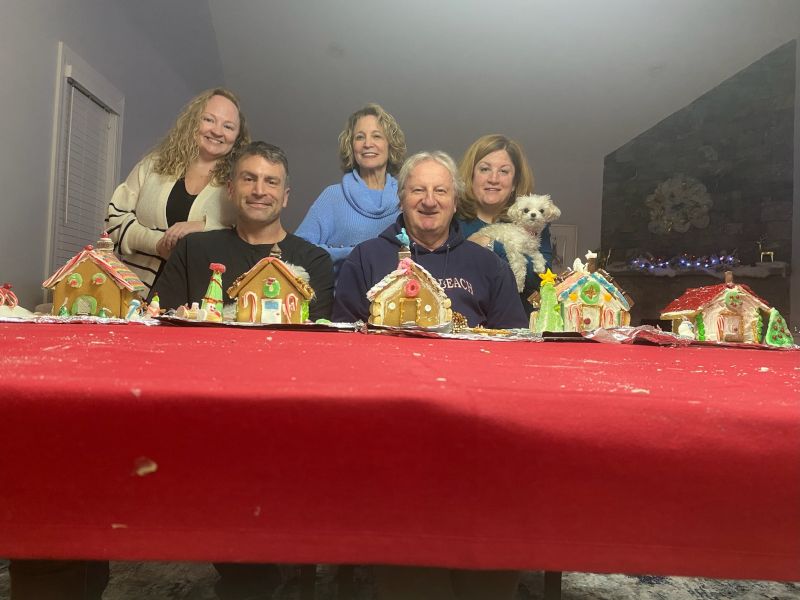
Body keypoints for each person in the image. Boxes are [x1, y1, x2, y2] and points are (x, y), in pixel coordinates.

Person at [333, 151, 527, 330]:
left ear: (455, 203)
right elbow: (344, 341)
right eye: (418, 190)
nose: (429, 201)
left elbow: (513, 345)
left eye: (440, 191)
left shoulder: (490, 266)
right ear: (401, 199)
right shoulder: (365, 259)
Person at [152, 141, 334, 325]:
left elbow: (315, 341)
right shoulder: (191, 249)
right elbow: (160, 322)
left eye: (271, 182)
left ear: (285, 197)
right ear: (230, 189)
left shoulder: (315, 262)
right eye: (249, 179)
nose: (259, 191)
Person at [106, 88, 251, 293]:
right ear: (193, 122)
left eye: (228, 126)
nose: (217, 131)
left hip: (201, 302)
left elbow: (249, 238)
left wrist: (203, 226)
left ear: (237, 136)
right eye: (209, 120)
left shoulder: (241, 183)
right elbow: (114, 222)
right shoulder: (153, 165)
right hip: (134, 294)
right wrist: (158, 244)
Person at [295, 103, 406, 273]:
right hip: (341, 296)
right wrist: (349, 253)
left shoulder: (406, 197)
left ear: (390, 145)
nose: (368, 143)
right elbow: (298, 250)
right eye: (360, 137)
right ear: (351, 146)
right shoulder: (333, 196)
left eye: (377, 136)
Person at [456, 134, 552, 312]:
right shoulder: (452, 221)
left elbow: (543, 277)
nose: (493, 178)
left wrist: (490, 244)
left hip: (518, 323)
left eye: (504, 171)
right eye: (484, 169)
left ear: (515, 182)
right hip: (465, 321)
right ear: (471, 176)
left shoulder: (535, 223)